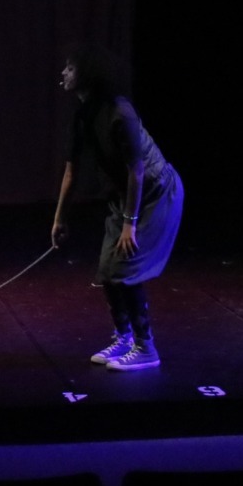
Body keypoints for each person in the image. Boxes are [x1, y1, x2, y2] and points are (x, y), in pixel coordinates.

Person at [51, 46, 183, 371]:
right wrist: (59, 219)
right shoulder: (83, 116)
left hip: (155, 194)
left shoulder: (119, 112)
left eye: (69, 68)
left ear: (86, 74)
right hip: (123, 198)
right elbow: (72, 171)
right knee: (108, 271)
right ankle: (123, 337)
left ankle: (145, 347)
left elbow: (136, 170)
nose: (63, 74)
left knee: (126, 268)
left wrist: (130, 223)